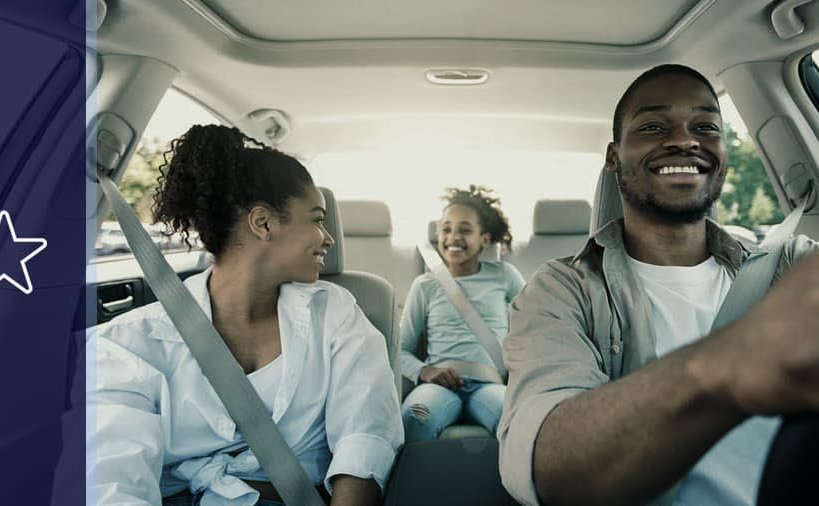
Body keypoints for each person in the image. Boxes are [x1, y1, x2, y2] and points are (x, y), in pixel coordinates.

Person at [497, 64, 819, 506]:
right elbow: (548, 465)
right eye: (652, 126)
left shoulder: (789, 264)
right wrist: (725, 365)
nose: (685, 140)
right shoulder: (561, 290)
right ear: (613, 157)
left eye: (705, 126)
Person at [87, 125, 404, 506]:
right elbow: (111, 482)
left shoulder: (334, 313)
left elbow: (364, 437)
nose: (328, 237)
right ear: (263, 223)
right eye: (316, 219)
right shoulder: (128, 343)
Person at [400, 185, 526, 441]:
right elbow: (400, 349)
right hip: (438, 386)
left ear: (485, 238)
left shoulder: (504, 276)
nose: (453, 237)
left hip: (490, 385)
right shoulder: (425, 285)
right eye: (446, 229)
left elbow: (535, 325)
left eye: (465, 230)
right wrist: (425, 372)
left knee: (518, 419)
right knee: (415, 417)